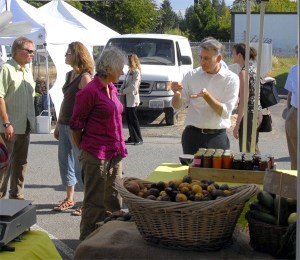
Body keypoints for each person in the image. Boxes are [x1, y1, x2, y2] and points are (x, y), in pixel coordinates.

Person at [70, 47, 128, 241]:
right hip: (96, 154)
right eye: (120, 67)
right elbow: (76, 126)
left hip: (115, 152)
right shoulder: (90, 91)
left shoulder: (112, 88)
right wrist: (85, 152)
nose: (122, 71)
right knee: (94, 204)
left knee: (113, 201)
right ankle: (87, 244)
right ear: (109, 67)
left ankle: (108, 242)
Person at [171, 37, 239, 155]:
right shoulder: (191, 75)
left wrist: (207, 97)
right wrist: (176, 94)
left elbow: (225, 112)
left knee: (217, 173)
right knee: (191, 172)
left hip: (217, 137)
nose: (202, 62)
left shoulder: (231, 79)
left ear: (218, 58)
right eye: (201, 58)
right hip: (192, 136)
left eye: (207, 58)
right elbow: (177, 107)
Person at [53, 42, 94, 216]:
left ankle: (87, 202)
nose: (65, 55)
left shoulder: (85, 77)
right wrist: (57, 124)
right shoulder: (70, 74)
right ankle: (69, 198)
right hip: (63, 124)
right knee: (65, 162)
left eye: (68, 52)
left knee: (80, 165)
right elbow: (65, 101)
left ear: (76, 54)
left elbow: (90, 104)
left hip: (76, 127)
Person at [0, 37, 36, 199]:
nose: (32, 54)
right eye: (28, 51)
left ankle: (16, 196)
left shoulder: (27, 71)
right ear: (16, 51)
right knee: (3, 166)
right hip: (8, 128)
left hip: (24, 126)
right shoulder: (6, 69)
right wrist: (7, 123)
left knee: (21, 163)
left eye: (33, 51)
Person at [232, 43, 262, 153]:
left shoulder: (244, 72)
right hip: (257, 113)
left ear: (239, 55)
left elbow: (244, 100)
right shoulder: (253, 68)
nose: (232, 56)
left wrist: (237, 124)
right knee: (253, 148)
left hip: (249, 115)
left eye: (233, 53)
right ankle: (263, 168)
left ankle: (260, 169)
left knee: (247, 151)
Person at [120, 53, 143, 145]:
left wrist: (124, 91)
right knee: (128, 119)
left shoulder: (136, 72)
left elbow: (134, 86)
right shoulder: (130, 71)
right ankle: (132, 137)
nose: (128, 62)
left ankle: (138, 138)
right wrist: (121, 89)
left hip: (132, 98)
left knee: (133, 119)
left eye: (129, 61)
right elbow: (125, 82)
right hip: (127, 98)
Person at [284, 63, 298, 170]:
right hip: (294, 112)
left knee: (295, 154)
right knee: (294, 154)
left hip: (295, 111)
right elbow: (289, 94)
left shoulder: (294, 69)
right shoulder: (294, 69)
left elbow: (289, 94)